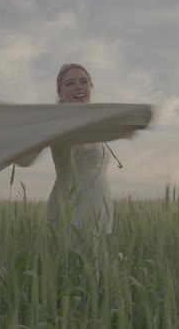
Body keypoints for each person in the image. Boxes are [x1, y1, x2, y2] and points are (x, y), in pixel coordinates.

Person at [46, 63, 124, 254]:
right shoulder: (60, 123)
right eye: (70, 83)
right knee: (79, 268)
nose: (79, 86)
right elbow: (76, 140)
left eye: (84, 82)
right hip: (75, 206)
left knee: (97, 270)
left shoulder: (92, 122)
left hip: (99, 205)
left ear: (91, 87)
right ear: (60, 93)